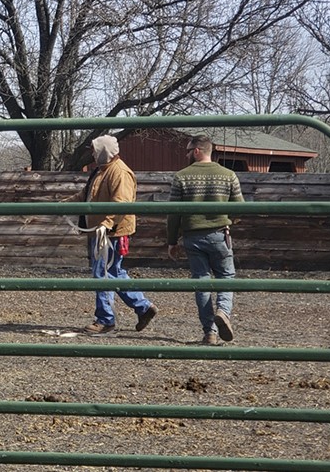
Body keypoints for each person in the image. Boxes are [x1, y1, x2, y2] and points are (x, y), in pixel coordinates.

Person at [70, 135, 158, 335]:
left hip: (112, 233)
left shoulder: (119, 172)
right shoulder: (101, 171)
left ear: (104, 152)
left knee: (102, 273)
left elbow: (121, 204)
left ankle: (105, 320)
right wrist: (62, 205)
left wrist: (106, 224)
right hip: (103, 231)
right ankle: (143, 307)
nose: (92, 154)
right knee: (114, 273)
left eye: (95, 151)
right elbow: (86, 194)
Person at [166, 135, 245, 346]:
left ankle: (209, 332)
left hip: (192, 236)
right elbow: (240, 208)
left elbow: (173, 213)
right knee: (226, 276)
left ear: (197, 151)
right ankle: (223, 312)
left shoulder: (181, 177)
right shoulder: (229, 175)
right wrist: (228, 220)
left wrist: (172, 240)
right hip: (220, 234)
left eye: (188, 150)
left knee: (201, 282)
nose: (186, 154)